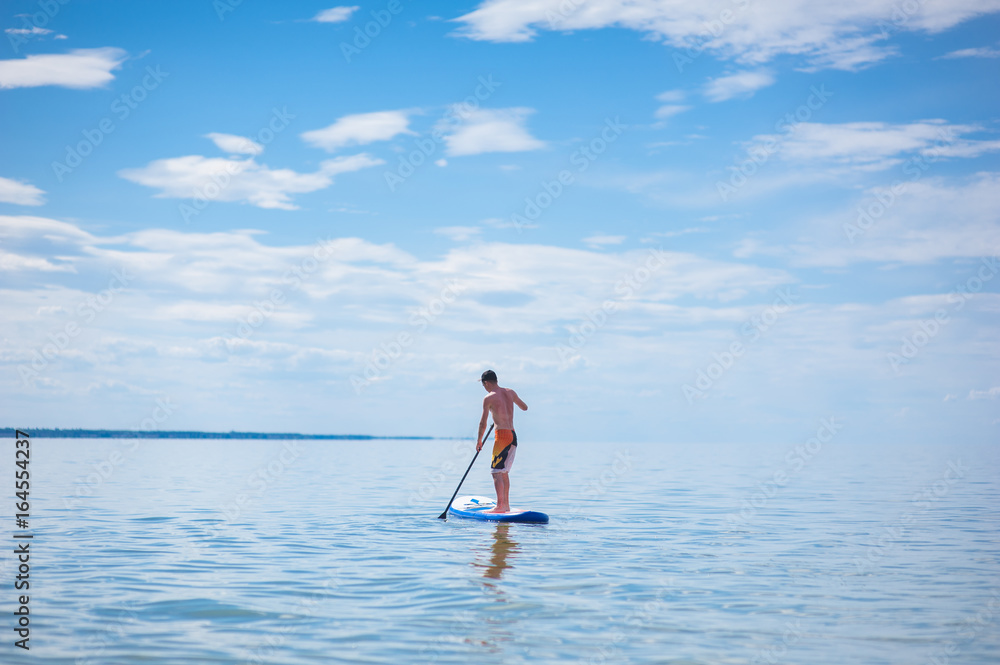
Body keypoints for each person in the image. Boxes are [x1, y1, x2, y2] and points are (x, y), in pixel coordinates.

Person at [476, 370, 528, 513]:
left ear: (486, 383)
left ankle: (500, 506)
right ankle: (506, 505)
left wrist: (479, 440)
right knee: (503, 472)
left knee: (496, 472)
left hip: (502, 436)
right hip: (513, 435)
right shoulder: (510, 392)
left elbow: (482, 423)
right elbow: (524, 407)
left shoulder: (489, 398)